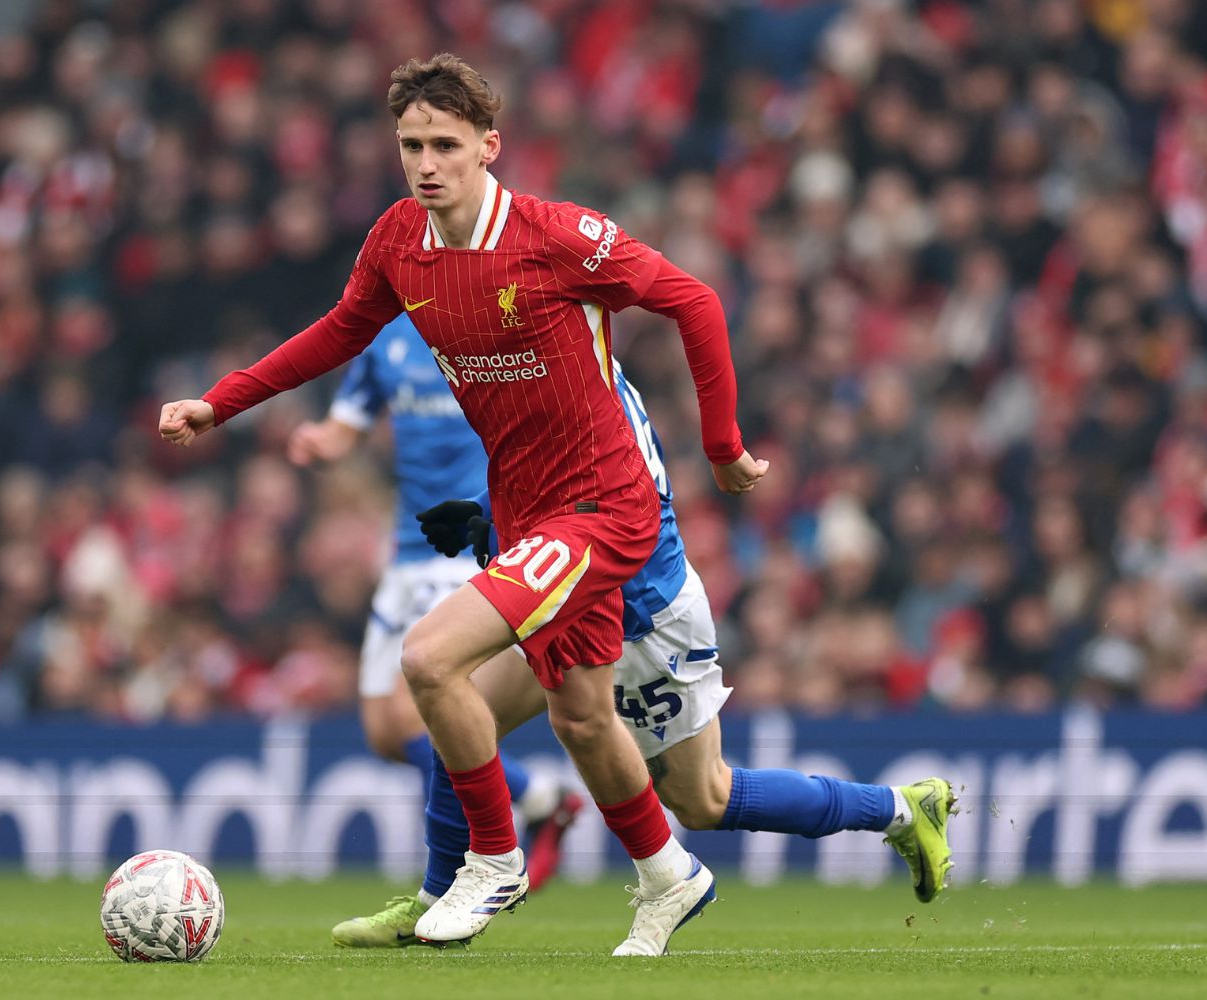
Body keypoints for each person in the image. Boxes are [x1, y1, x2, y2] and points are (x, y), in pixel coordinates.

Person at [162, 52, 763, 955]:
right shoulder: (398, 242)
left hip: (604, 506)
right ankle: (669, 876)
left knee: (432, 661)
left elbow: (695, 300)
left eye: (445, 143)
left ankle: (494, 860)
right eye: (411, 144)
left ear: (490, 146)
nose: (426, 162)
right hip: (524, 510)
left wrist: (723, 450)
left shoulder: (559, 237)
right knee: (582, 718)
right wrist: (223, 401)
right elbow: (337, 334)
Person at [332, 363, 956, 950]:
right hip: (572, 594)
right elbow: (553, 487)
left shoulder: (581, 385)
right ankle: (440, 893)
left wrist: (496, 532)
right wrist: (490, 513)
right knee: (457, 703)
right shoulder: (564, 369)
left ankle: (900, 809)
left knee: (703, 798)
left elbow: (599, 512)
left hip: (643, 613)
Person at [285, 313, 583, 917]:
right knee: (384, 732)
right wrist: (321, 440)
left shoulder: (493, 332)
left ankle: (457, 876)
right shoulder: (383, 344)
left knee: (415, 713)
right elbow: (348, 426)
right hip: (405, 555)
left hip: (470, 542)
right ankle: (541, 797)